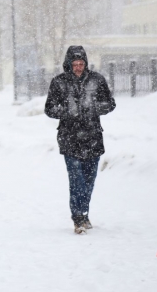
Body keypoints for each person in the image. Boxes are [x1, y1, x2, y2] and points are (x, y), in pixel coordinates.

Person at [45, 45, 116, 235]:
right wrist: (67, 111)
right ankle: (78, 217)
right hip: (69, 138)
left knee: (89, 180)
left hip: (93, 137)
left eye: (81, 63)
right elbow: (49, 108)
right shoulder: (58, 82)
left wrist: (93, 108)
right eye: (75, 64)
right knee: (76, 180)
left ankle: (84, 214)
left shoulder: (97, 80)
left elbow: (110, 103)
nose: (78, 67)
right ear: (68, 64)